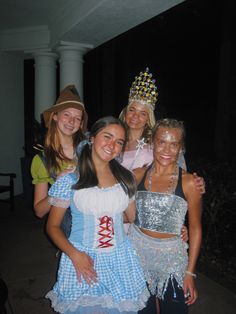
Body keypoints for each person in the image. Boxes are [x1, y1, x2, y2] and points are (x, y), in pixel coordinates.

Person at [45, 116, 150, 314]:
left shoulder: (126, 179)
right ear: (92, 138)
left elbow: (132, 218)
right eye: (107, 137)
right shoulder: (71, 179)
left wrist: (174, 226)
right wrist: (75, 255)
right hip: (82, 260)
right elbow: (52, 226)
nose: (112, 145)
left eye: (119, 142)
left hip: (120, 261)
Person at [129, 118, 202, 314]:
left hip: (172, 261)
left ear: (181, 147)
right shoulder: (136, 175)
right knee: (144, 311)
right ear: (152, 142)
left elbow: (195, 228)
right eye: (162, 142)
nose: (167, 150)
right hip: (138, 258)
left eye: (174, 144)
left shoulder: (189, 182)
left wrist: (190, 273)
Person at [119, 68, 204, 237]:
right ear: (125, 111)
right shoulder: (115, 141)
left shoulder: (157, 145)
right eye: (132, 110)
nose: (135, 116)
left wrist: (178, 223)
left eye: (143, 113)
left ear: (149, 117)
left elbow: (178, 179)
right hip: (112, 214)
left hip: (142, 223)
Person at [31, 85, 88, 236]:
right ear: (55, 116)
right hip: (69, 233)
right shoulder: (42, 160)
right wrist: (57, 188)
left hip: (97, 226)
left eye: (77, 118)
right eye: (67, 115)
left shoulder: (88, 150)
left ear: (81, 124)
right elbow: (39, 211)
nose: (71, 121)